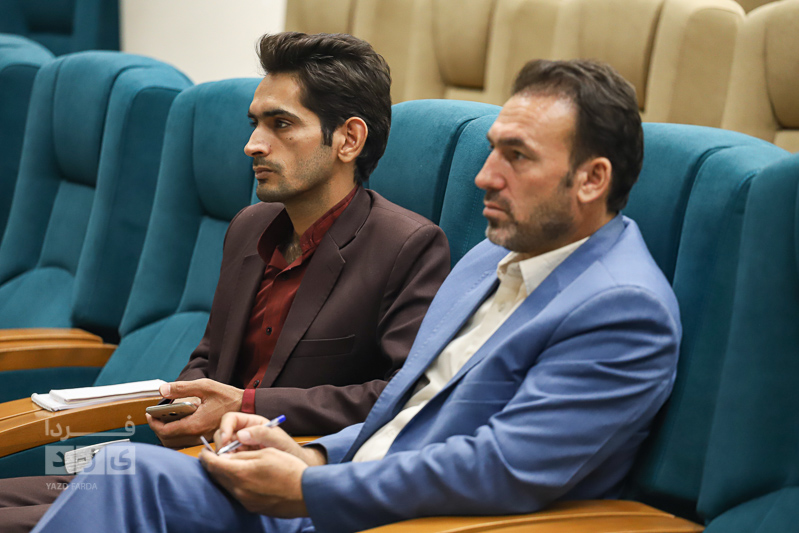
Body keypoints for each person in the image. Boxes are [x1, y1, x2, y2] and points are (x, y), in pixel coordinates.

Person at [30, 58, 681, 533]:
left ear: (592, 178)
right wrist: (307, 450)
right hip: (339, 483)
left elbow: (501, 466)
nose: (486, 176)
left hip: (403, 518)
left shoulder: (623, 309)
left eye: (518, 156)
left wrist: (312, 484)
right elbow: (404, 412)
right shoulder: (492, 257)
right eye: (491, 151)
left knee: (119, 482)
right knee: (118, 472)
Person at [0, 32, 450, 533]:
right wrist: (188, 403)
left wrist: (248, 406)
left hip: (274, 488)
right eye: (255, 123)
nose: (253, 144)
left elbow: (401, 399)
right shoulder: (249, 227)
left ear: (349, 139)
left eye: (281, 124)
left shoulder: (407, 245)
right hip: (191, 463)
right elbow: (211, 354)